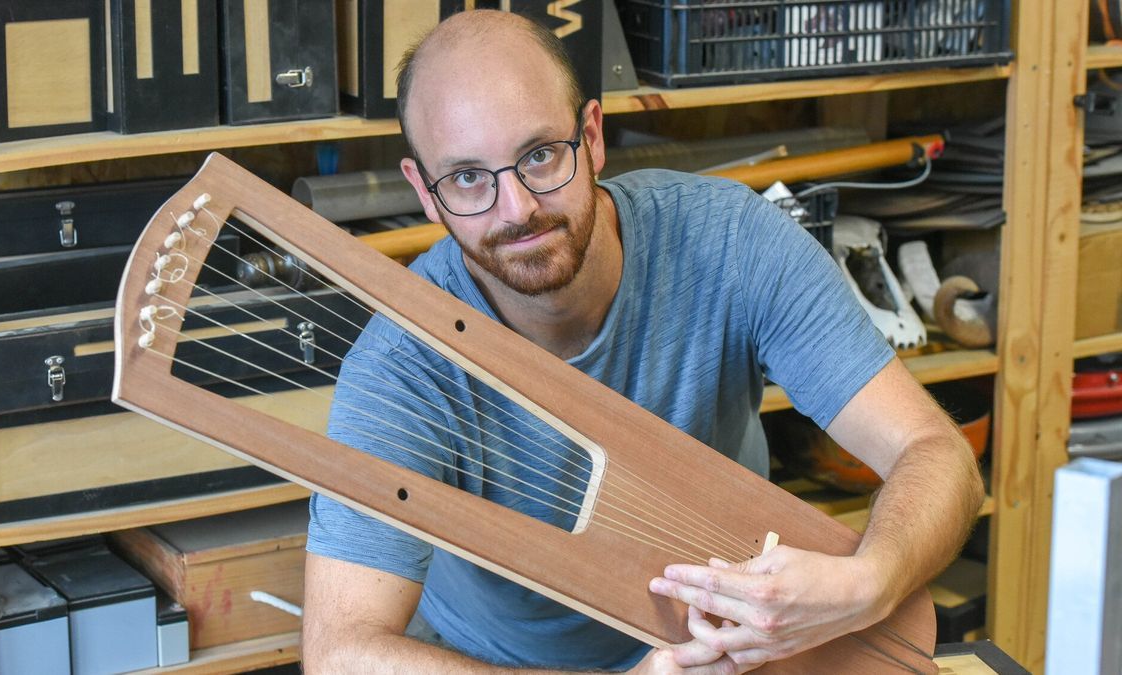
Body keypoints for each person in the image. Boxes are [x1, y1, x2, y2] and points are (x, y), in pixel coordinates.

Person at [303, 9, 984, 674]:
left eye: (540, 156)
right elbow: (340, 651)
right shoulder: (403, 360)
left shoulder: (731, 242)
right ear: (425, 192)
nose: (517, 209)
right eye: (468, 178)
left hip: (734, 651)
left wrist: (872, 580)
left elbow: (932, 450)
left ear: (593, 137)